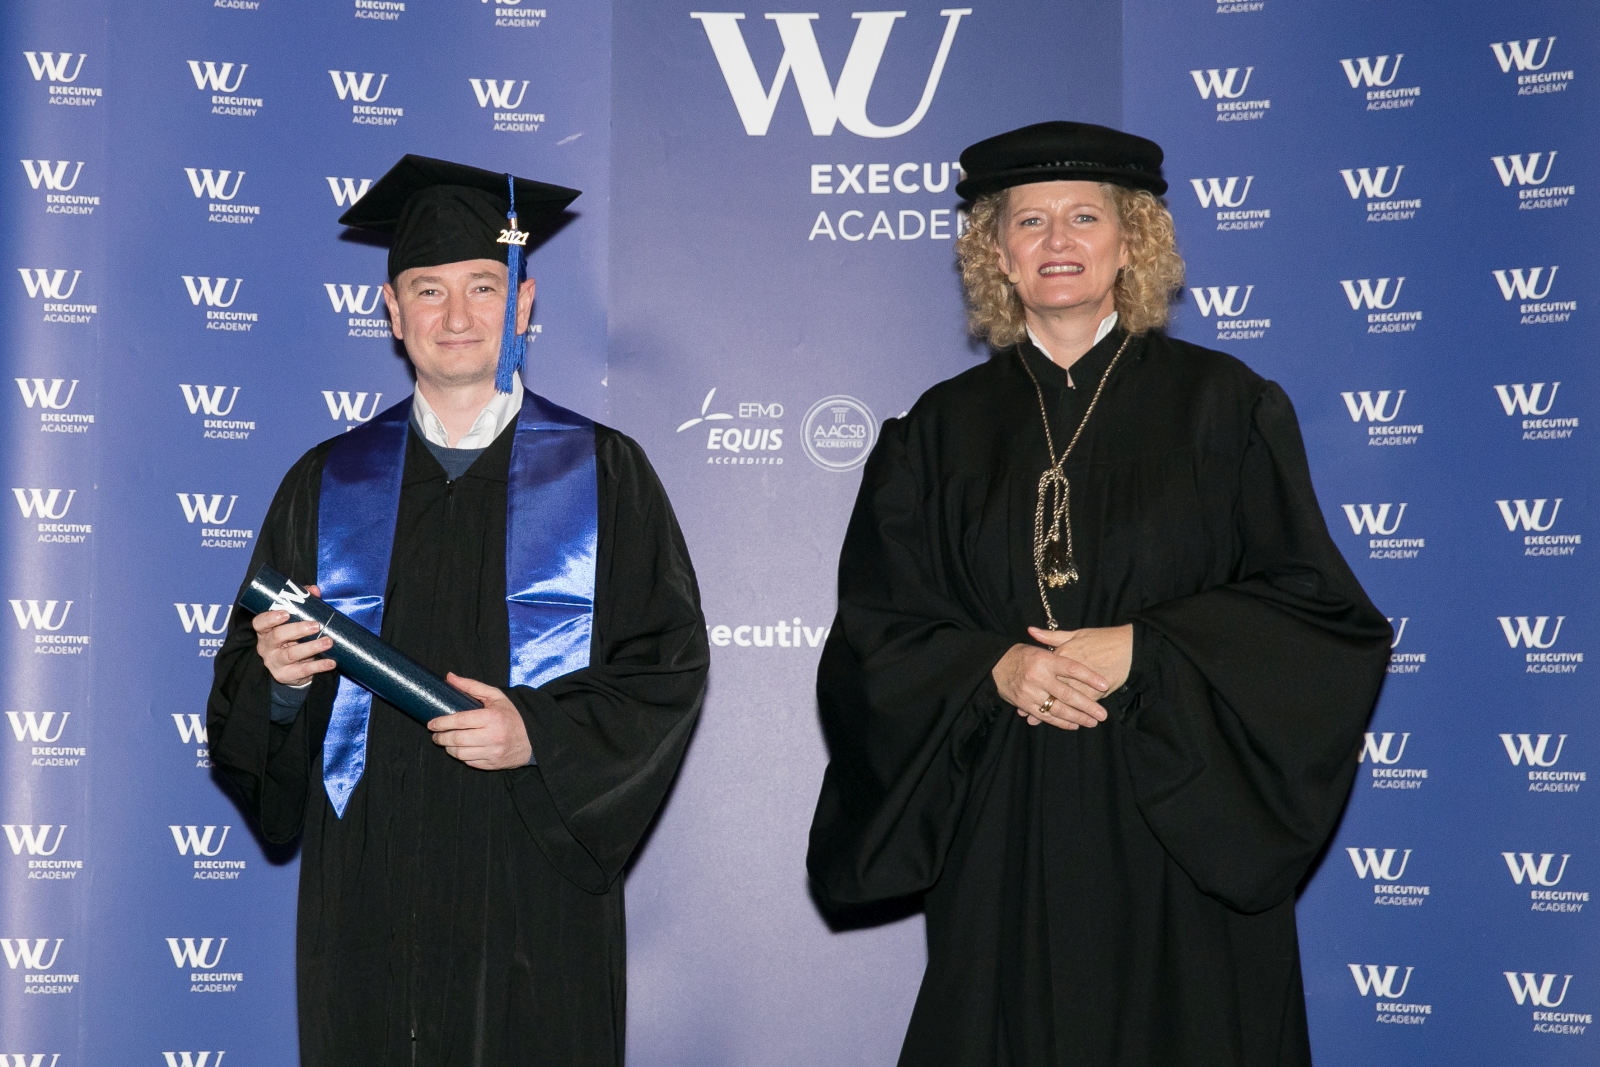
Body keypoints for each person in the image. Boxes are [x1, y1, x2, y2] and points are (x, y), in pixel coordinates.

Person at [806, 121, 1391, 1066]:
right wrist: (990, 665)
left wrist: (1153, 648)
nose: (1058, 240)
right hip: (1009, 818)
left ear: (1135, 239)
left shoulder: (1228, 405)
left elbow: (1318, 612)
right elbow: (878, 630)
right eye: (1028, 221)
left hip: (1186, 819)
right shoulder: (936, 434)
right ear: (995, 251)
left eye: (1086, 215)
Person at [206, 155, 708, 1066]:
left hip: (532, 890)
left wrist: (542, 735)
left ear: (523, 304)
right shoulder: (325, 483)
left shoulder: (603, 473)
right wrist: (277, 683)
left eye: (485, 286)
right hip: (367, 893)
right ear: (392, 314)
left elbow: (665, 667)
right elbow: (247, 696)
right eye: (427, 290)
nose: (457, 315)